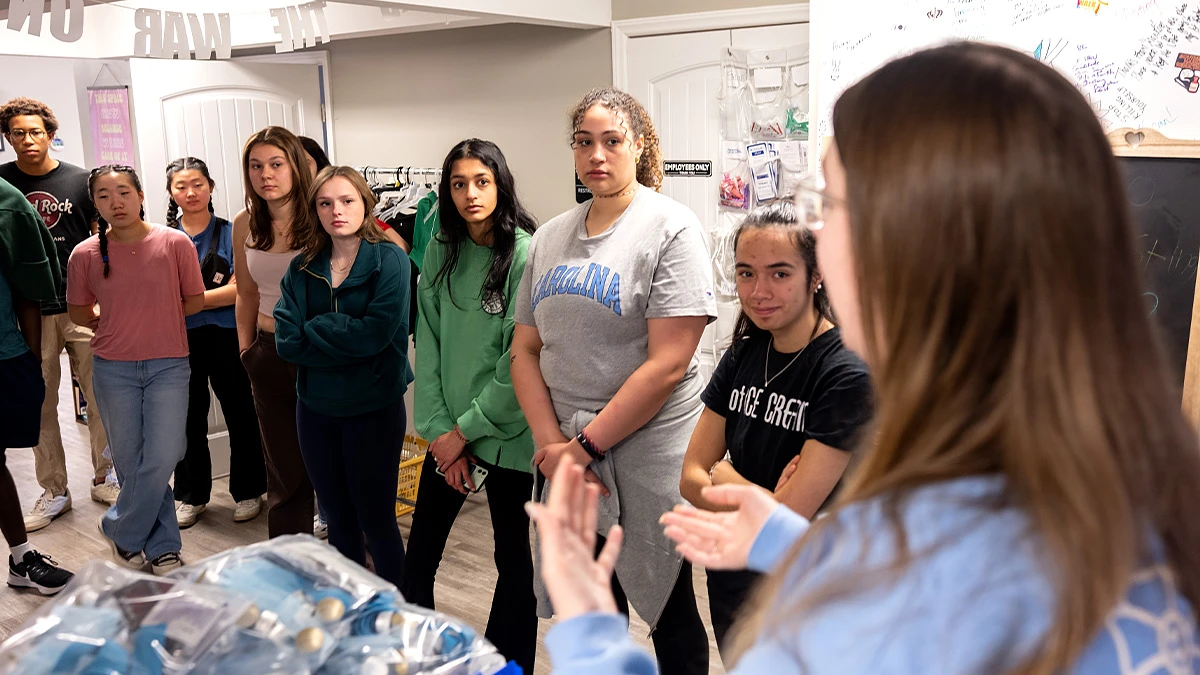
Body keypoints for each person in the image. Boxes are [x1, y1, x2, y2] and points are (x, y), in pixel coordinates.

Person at [531, 43, 1200, 674]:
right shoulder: (1107, 480)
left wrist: (591, 626)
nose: (816, 231)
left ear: (920, 241)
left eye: (832, 203)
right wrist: (794, 541)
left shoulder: (906, 579)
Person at [511, 87, 715, 675]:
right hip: (567, 448)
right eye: (584, 142)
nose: (596, 155)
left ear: (640, 145)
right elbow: (525, 349)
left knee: (667, 606)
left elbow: (669, 364)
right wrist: (555, 448)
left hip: (647, 447)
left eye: (612, 141)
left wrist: (584, 449)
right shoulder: (549, 237)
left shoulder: (671, 228)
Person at [678, 200, 872, 658]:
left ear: (817, 274)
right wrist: (760, 500)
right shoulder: (742, 353)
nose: (759, 290)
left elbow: (789, 521)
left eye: (780, 273)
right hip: (731, 581)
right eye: (746, 273)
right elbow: (689, 476)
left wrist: (727, 479)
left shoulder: (844, 372)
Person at [402, 139, 538, 672]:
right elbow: (428, 342)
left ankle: (508, 666)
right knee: (419, 560)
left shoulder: (525, 251)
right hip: (447, 439)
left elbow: (518, 362)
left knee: (513, 564)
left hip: (507, 438)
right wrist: (440, 432)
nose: (469, 194)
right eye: (458, 184)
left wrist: (466, 431)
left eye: (481, 181)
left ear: (500, 184)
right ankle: (421, 659)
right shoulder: (439, 245)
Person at [274, 165, 411, 586]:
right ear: (314, 210)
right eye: (325, 203)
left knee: (377, 522)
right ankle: (356, 617)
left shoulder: (390, 259)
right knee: (338, 522)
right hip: (315, 411)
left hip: (373, 409)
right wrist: (334, 336)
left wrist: (315, 326)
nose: (337, 211)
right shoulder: (301, 268)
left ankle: (405, 618)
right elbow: (286, 342)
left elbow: (375, 334)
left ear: (366, 203)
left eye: (347, 200)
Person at [68, 165, 205, 575]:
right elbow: (78, 310)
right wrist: (113, 318)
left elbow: (194, 301)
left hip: (168, 364)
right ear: (95, 203)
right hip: (113, 368)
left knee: (165, 454)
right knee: (130, 460)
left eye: (124, 192)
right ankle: (162, 546)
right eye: (105, 195)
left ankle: (120, 527)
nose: (116, 202)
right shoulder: (85, 254)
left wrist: (154, 314)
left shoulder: (174, 242)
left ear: (142, 195)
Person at [0, 97, 116, 534]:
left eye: (35, 131)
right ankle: (55, 490)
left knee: (101, 391)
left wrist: (106, 296)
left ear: (50, 133)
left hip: (83, 304)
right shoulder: (1, 184)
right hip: (29, 310)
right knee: (39, 399)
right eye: (17, 133)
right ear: (7, 138)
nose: (28, 140)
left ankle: (108, 476)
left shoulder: (80, 180)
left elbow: (103, 242)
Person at [165, 157, 267, 529]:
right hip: (179, 339)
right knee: (186, 419)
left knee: (241, 413)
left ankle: (249, 490)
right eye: (181, 186)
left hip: (227, 334)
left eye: (197, 184)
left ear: (210, 186)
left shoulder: (231, 231)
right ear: (171, 193)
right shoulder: (163, 238)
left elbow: (243, 287)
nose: (190, 193)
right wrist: (209, 295)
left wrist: (189, 301)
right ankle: (191, 496)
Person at [232, 126, 315, 538]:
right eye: (256, 166)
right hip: (267, 350)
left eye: (276, 164)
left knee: (333, 464)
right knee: (283, 473)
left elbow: (391, 251)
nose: (266, 174)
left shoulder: (323, 215)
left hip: (320, 353)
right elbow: (245, 293)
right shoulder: (244, 223)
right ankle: (288, 567)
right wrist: (247, 351)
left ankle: (354, 570)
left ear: (296, 168)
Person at [0, 175, 74, 595]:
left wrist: (30, 356)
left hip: (5, 353)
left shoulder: (7, 201)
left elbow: (29, 287)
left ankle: (20, 558)